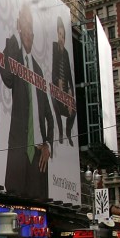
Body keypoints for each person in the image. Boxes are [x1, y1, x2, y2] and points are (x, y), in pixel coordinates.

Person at [0, 2, 53, 201]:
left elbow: (49, 115)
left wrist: (48, 145)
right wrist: (14, 39)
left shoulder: (38, 70)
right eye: (26, 25)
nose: (30, 32)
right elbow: (7, 77)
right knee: (14, 202)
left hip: (38, 158)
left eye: (32, 28)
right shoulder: (12, 51)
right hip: (19, 153)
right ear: (18, 26)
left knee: (39, 207)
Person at [51, 17, 75, 146]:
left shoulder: (66, 52)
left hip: (65, 90)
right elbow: (53, 69)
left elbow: (70, 76)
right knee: (56, 106)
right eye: (60, 35)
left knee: (74, 111)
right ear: (57, 34)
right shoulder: (54, 47)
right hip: (55, 87)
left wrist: (70, 95)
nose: (61, 38)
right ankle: (60, 132)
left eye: (63, 36)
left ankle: (68, 132)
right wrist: (57, 81)